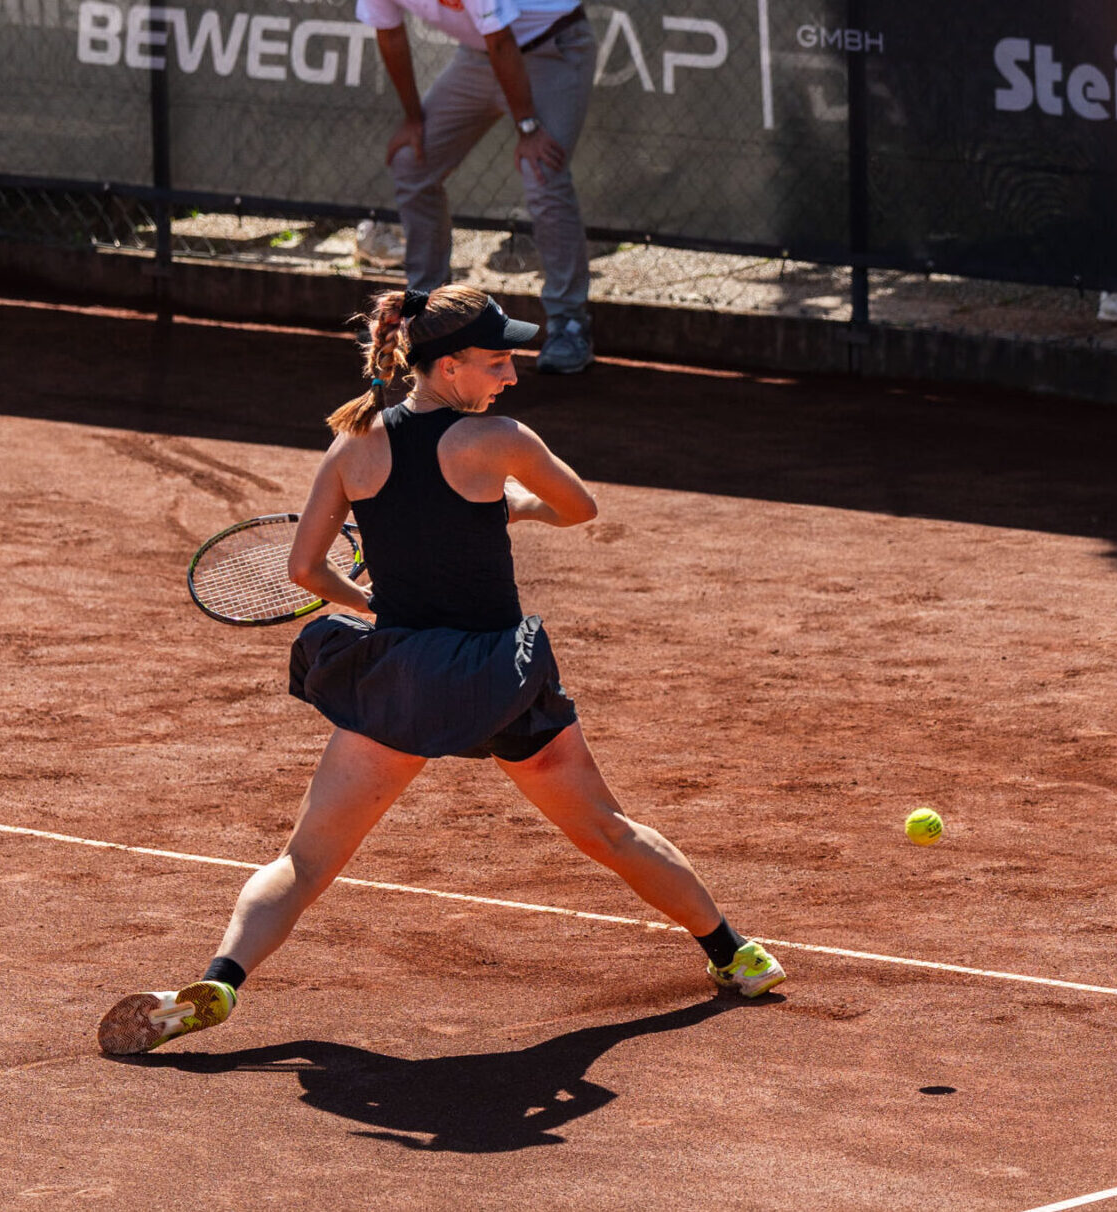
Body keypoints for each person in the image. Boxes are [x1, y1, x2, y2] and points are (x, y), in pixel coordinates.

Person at [97, 285, 785, 1056]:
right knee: (607, 831)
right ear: (449, 367)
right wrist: (515, 505)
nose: (512, 376)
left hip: (401, 675)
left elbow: (304, 569)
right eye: (497, 361)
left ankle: (221, 979)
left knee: (306, 858)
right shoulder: (499, 439)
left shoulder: (353, 443)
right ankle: (737, 957)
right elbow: (581, 508)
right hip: (499, 680)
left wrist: (375, 607)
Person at [358, 0, 597, 374]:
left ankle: (569, 323)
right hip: (479, 58)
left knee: (542, 173)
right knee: (412, 162)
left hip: (553, 49)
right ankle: (428, 309)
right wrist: (412, 118)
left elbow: (502, 42)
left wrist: (528, 128)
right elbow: (389, 34)